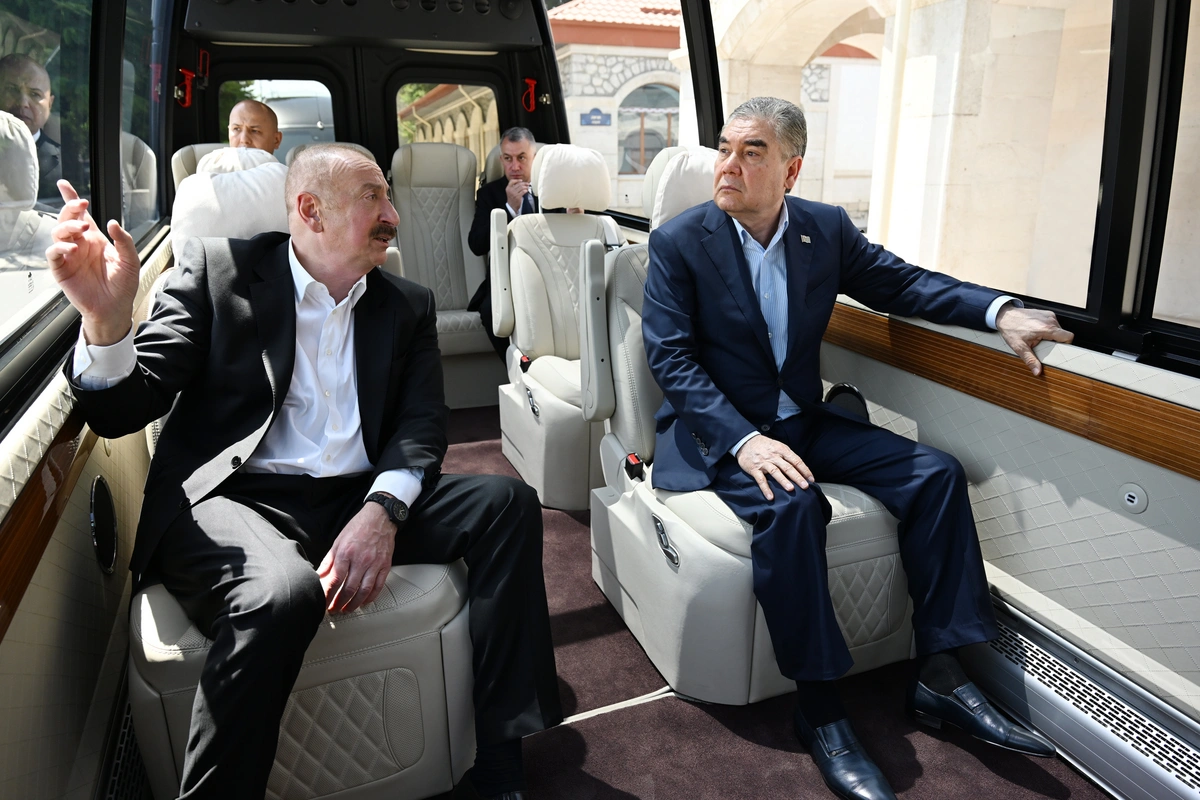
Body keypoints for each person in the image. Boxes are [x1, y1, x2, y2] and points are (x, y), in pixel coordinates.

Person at [47, 143, 560, 800]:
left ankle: (500, 759)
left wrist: (381, 513)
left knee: (507, 504)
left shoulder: (407, 304)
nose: (393, 216)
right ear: (311, 211)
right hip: (236, 500)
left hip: (357, 495)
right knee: (281, 595)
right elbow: (124, 409)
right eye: (373, 198)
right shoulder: (216, 272)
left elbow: (422, 427)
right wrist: (106, 321)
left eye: (389, 196)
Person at [642, 97, 1073, 800]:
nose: (728, 165)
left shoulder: (825, 229)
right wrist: (743, 442)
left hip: (802, 420)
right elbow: (671, 358)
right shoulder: (679, 242)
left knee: (935, 474)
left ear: (792, 170)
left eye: (751, 152)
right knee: (793, 505)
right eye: (724, 149)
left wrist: (1000, 311)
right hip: (721, 433)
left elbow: (903, 284)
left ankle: (941, 673)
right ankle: (819, 708)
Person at [467, 127, 539, 360]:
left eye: (521, 158)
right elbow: (476, 244)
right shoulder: (489, 194)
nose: (514, 166)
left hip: (545, 278)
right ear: (501, 160)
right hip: (503, 282)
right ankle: (516, 369)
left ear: (534, 158)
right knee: (491, 311)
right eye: (508, 159)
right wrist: (508, 208)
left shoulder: (551, 190)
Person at [0, 53, 60, 201]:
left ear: (50, 104)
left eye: (35, 94)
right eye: (12, 90)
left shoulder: (68, 166)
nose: (22, 103)